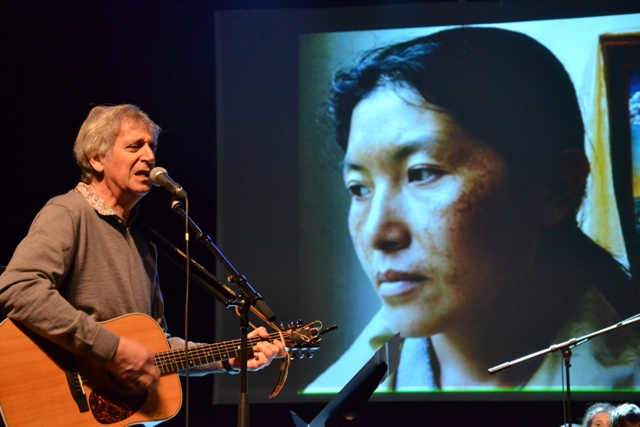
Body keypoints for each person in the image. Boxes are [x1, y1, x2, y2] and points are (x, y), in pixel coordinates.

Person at [305, 27, 640, 392]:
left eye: (422, 173)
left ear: (557, 187)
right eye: (359, 189)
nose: (377, 233)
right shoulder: (329, 399)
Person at [0, 104, 285, 396]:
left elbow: (156, 347)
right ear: (97, 159)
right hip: (57, 398)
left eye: (151, 147)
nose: (149, 156)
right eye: (135, 146)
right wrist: (112, 349)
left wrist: (226, 359)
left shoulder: (144, 241)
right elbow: (18, 288)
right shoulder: (68, 212)